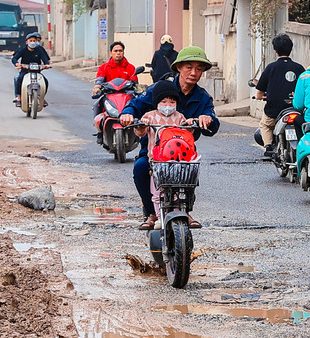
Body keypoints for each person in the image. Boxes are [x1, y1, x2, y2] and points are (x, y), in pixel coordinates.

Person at [120, 46, 220, 230]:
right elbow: (135, 104)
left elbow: (212, 123)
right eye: (189, 67)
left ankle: (185, 212)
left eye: (199, 69)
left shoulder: (203, 97)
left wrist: (208, 120)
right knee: (141, 169)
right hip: (153, 152)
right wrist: (127, 114)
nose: (193, 72)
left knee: (189, 174)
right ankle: (151, 213)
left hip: (183, 153)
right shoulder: (161, 88)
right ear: (179, 67)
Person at [132, 81, 190, 221]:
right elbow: (140, 132)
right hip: (156, 161)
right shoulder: (149, 116)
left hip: (177, 161)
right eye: (164, 101)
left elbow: (188, 131)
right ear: (157, 102)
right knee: (156, 193)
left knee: (177, 192)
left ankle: (180, 215)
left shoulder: (179, 117)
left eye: (171, 102)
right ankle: (157, 218)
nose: (168, 105)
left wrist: (191, 125)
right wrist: (140, 126)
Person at [256, 33, 306, 158]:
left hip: (274, 111)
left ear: (276, 51)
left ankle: (268, 147)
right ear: (290, 49)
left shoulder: (270, 68)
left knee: (265, 125)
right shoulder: (299, 68)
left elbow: (259, 92)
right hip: (295, 109)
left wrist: (260, 96)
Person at [93, 41, 138, 143]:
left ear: (123, 52)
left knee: (139, 105)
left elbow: (135, 81)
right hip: (109, 95)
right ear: (111, 53)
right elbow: (99, 79)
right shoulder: (104, 67)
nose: (118, 53)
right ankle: (100, 132)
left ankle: (138, 131)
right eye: (116, 51)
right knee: (96, 105)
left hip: (126, 95)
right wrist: (97, 86)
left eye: (120, 51)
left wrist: (137, 88)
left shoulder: (130, 67)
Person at [11, 32, 51, 106]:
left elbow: (45, 59)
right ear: (27, 42)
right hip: (25, 71)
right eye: (31, 40)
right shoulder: (23, 49)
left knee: (45, 82)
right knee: (19, 79)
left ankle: (42, 98)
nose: (32, 42)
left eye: (34, 41)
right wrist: (17, 63)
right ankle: (19, 98)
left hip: (37, 71)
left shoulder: (39, 49)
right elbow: (14, 58)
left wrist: (47, 65)